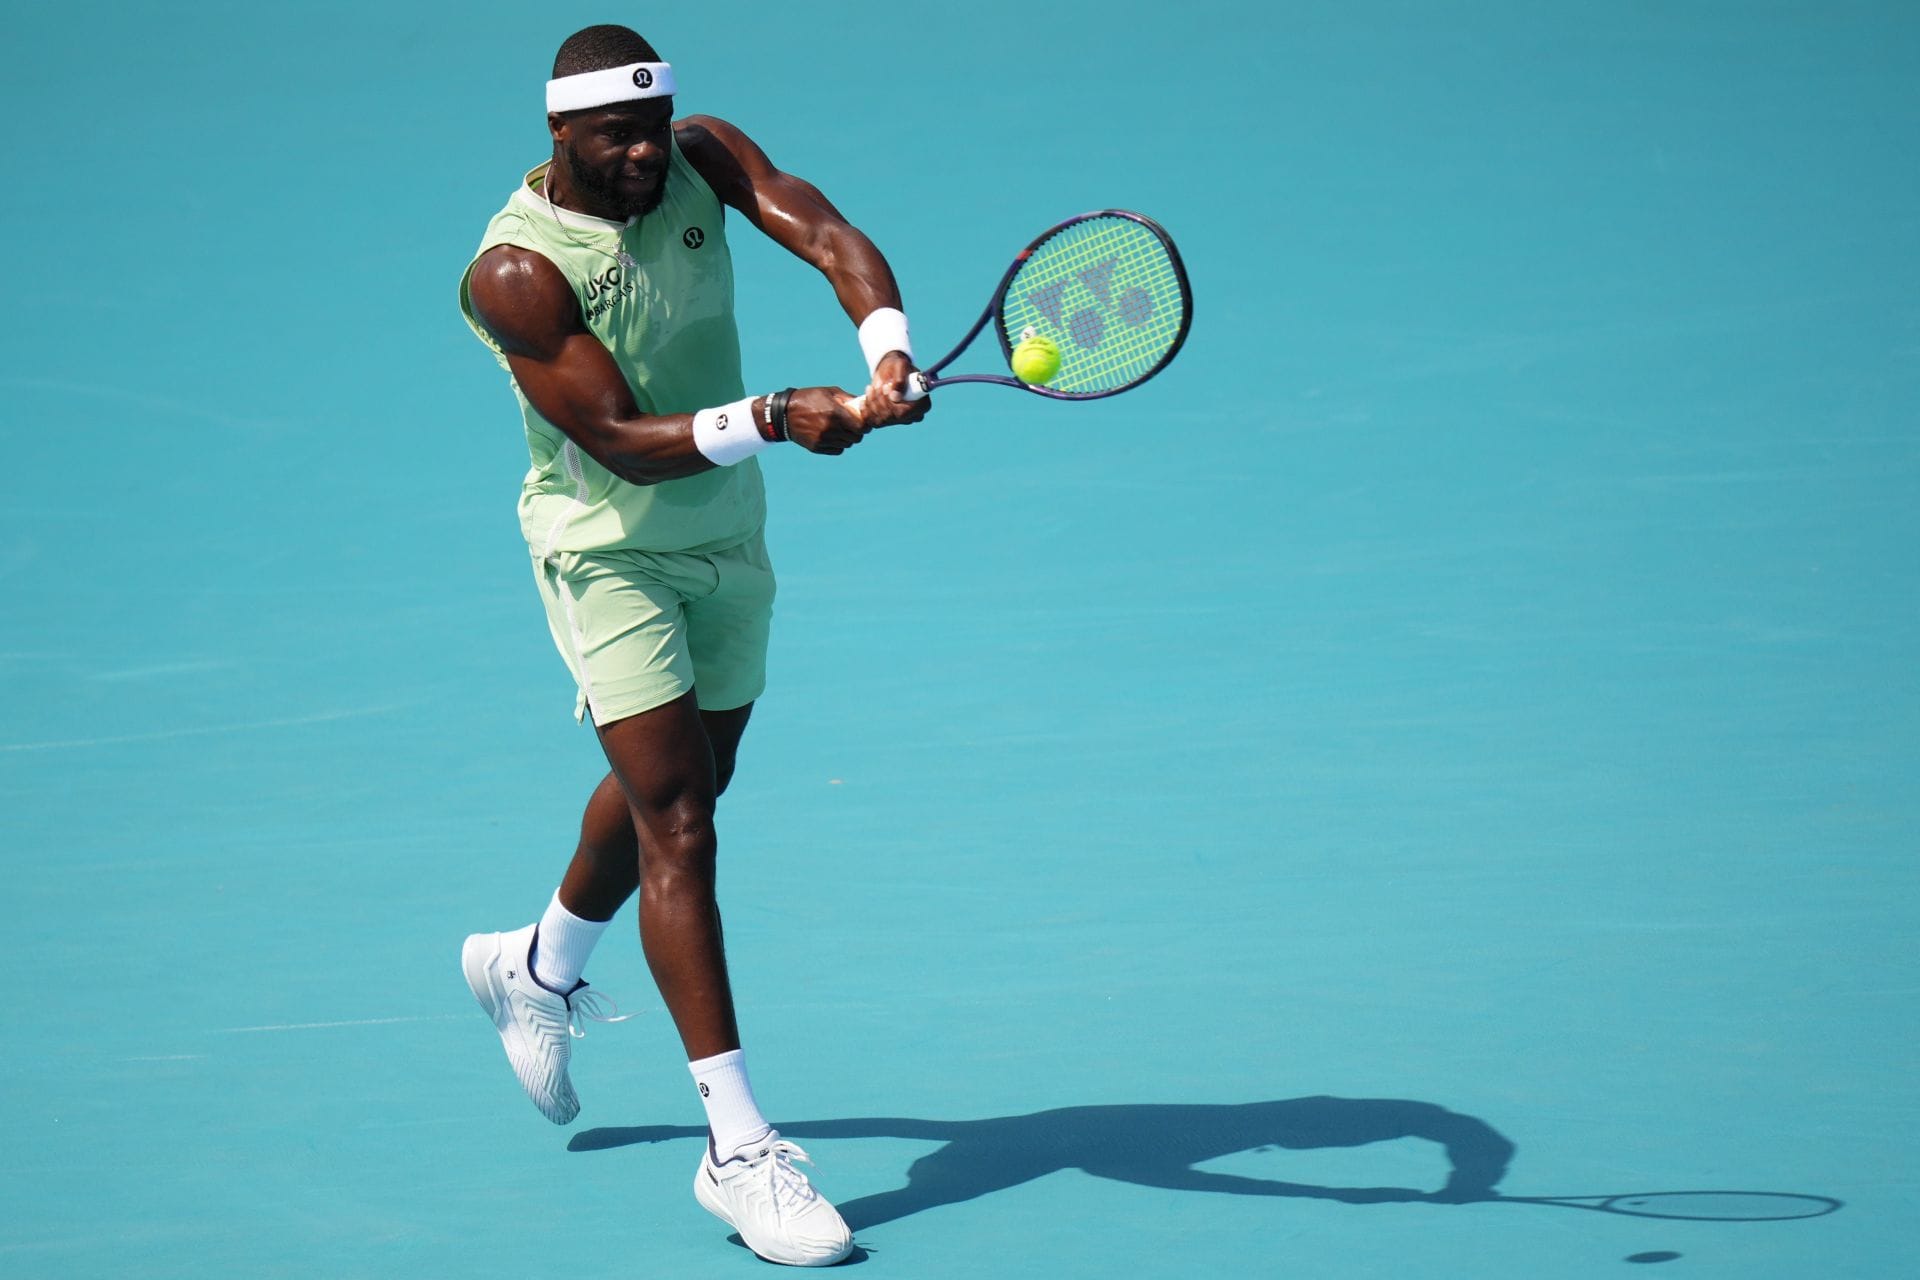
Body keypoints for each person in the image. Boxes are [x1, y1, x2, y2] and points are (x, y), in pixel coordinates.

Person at [455, 22, 929, 1268]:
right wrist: (777, 412)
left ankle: (537, 964)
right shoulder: (515, 272)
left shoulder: (701, 158)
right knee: (681, 821)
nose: (646, 154)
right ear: (559, 132)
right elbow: (611, 433)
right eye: (617, 136)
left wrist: (884, 344)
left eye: (657, 127)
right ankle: (738, 1147)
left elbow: (823, 232)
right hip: (604, 543)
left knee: (685, 780)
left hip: (726, 533)